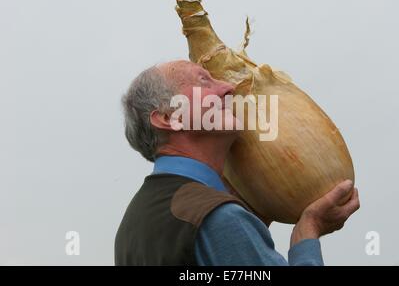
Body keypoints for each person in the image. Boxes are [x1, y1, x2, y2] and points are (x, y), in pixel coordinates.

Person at [115, 60, 360, 265]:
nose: (229, 87)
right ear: (170, 118)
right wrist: (307, 232)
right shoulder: (217, 217)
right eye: (203, 81)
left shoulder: (131, 226)